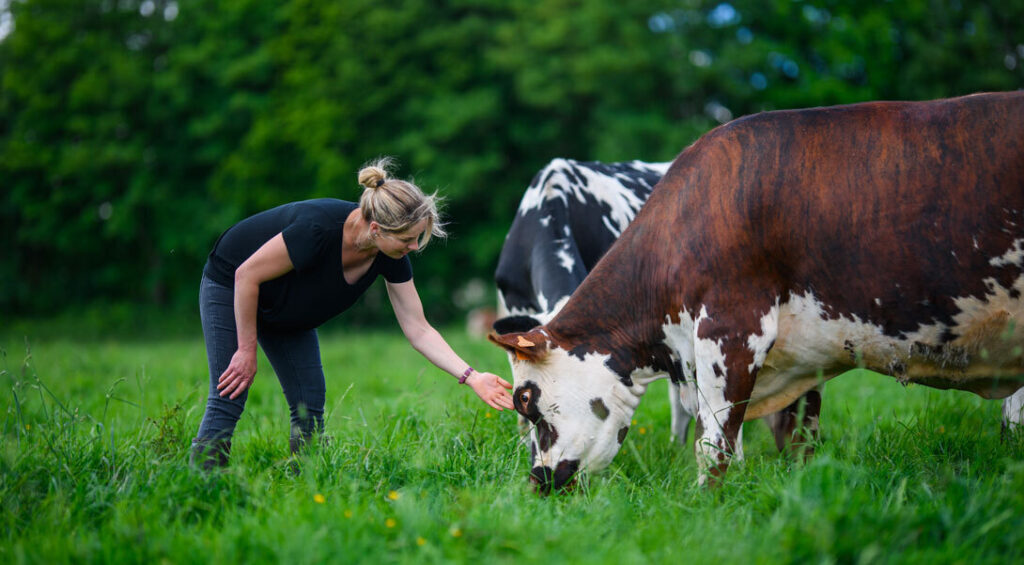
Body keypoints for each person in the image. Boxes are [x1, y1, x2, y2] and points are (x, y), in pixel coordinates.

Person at [191, 157, 514, 468]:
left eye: (417, 237)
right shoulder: (317, 229)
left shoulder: (390, 254)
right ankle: (205, 482)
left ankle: (308, 482)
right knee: (230, 391)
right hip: (232, 285)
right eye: (407, 239)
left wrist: (473, 377)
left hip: (290, 309)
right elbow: (247, 275)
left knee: (308, 403)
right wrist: (246, 350)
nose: (414, 247)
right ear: (376, 228)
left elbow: (419, 329)